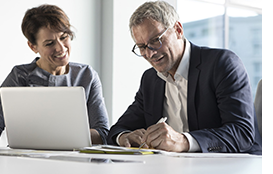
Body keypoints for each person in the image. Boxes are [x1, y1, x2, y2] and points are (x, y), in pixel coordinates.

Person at [107, 1, 262, 154]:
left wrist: (183, 141)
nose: (150, 53)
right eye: (142, 47)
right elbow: (118, 129)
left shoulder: (222, 64)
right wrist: (124, 137)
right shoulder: (150, 79)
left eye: (155, 40)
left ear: (178, 30)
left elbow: (242, 133)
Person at [0, 4, 109, 150]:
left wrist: (59, 136)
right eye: (49, 43)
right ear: (33, 47)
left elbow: (103, 134)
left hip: (77, 162)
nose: (61, 48)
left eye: (64, 37)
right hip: (27, 162)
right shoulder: (19, 76)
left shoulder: (87, 75)